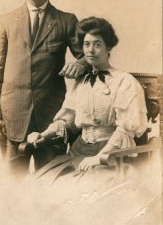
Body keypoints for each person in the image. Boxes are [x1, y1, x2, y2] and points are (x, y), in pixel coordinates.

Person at [0, 0, 87, 174]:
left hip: (51, 119)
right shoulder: (6, 21)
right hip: (12, 117)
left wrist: (80, 63)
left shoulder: (66, 21)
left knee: (52, 179)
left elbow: (89, 58)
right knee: (12, 184)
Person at [28, 16, 148, 179]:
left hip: (111, 155)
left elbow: (125, 130)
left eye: (97, 44)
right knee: (40, 183)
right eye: (87, 44)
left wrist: (99, 157)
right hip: (78, 152)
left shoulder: (124, 81)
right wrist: (44, 135)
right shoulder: (80, 82)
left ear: (108, 48)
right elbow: (67, 121)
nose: (91, 50)